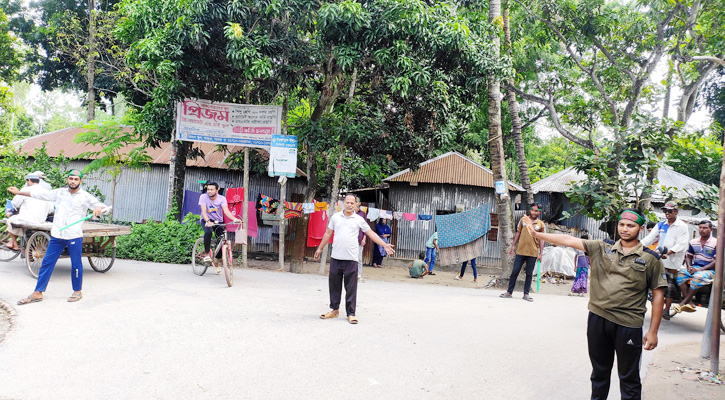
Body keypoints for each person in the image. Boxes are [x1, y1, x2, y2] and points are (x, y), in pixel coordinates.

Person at [521, 209, 666, 400]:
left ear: (640, 229)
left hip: (628, 324)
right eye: (622, 224)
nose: (625, 229)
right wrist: (536, 233)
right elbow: (568, 240)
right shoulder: (601, 247)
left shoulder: (651, 259)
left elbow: (658, 295)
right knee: (599, 374)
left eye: (630, 226)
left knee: (629, 379)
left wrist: (653, 331)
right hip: (598, 319)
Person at [8, 169, 108, 304]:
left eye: (76, 179)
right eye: (71, 178)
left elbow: (102, 207)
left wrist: (99, 209)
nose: (73, 181)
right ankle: (38, 292)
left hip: (73, 235)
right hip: (57, 234)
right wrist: (19, 192)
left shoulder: (85, 196)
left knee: (76, 265)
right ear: (67, 180)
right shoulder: (60, 192)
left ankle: (77, 291)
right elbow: (40, 194)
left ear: (80, 181)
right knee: (47, 263)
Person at [315, 193, 395, 324]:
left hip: (352, 258)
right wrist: (319, 248)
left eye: (352, 203)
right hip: (336, 257)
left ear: (356, 204)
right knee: (334, 285)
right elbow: (328, 233)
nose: (349, 205)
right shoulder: (335, 217)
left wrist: (384, 244)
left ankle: (351, 313)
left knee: (351, 287)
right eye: (347, 202)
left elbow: (370, 233)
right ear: (343, 203)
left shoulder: (359, 219)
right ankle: (334, 310)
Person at [641, 201, 689, 320]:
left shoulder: (681, 226)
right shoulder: (661, 224)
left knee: (669, 285)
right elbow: (650, 238)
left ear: (676, 212)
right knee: (650, 281)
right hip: (658, 257)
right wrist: (637, 246)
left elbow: (682, 244)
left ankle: (666, 310)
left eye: (670, 211)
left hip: (672, 260)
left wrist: (668, 252)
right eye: (665, 211)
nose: (667, 213)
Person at [501, 203, 546, 302]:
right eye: (533, 210)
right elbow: (518, 232)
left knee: (529, 274)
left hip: (533, 252)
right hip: (520, 251)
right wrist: (513, 246)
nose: (534, 212)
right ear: (530, 210)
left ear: (539, 212)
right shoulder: (523, 220)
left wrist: (541, 253)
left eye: (536, 211)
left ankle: (526, 294)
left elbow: (542, 239)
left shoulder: (541, 225)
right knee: (515, 272)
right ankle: (509, 292)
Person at [674, 220, 717, 314]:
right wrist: (689, 266)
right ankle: (690, 302)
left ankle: (683, 302)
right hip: (695, 267)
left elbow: (716, 261)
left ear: (711, 229)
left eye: (705, 228)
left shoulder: (716, 243)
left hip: (710, 270)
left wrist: (700, 269)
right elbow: (689, 256)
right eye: (700, 227)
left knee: (698, 277)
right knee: (680, 275)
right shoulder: (693, 242)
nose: (702, 230)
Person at [2, 174, 53, 252]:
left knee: (10, 220)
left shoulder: (25, 190)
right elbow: (50, 209)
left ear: (28, 180)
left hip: (27, 219)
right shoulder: (46, 192)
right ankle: (13, 243)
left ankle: (15, 244)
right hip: (41, 220)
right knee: (18, 220)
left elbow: (15, 203)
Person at [199, 182, 240, 274]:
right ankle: (206, 254)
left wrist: (234, 219)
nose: (209, 191)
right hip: (206, 219)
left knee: (222, 240)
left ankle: (217, 261)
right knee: (208, 232)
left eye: (211, 189)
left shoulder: (222, 199)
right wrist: (208, 221)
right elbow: (203, 212)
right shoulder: (203, 197)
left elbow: (226, 211)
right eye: (208, 189)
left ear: (217, 190)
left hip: (218, 221)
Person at [355, 198, 367, 281]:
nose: (355, 203)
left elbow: (366, 228)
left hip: (359, 239)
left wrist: (364, 238)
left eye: (356, 201)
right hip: (350, 240)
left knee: (359, 258)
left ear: (359, 203)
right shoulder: (349, 213)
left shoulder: (362, 214)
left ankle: (358, 275)